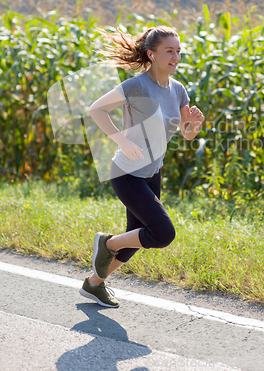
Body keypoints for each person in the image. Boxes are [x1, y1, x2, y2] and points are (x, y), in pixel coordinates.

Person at [79, 25, 205, 307]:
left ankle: (93, 285)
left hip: (151, 173)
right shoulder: (137, 85)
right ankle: (107, 243)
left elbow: (187, 133)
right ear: (152, 54)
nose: (176, 56)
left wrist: (194, 124)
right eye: (169, 51)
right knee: (162, 233)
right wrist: (122, 140)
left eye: (178, 51)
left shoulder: (177, 90)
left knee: (135, 239)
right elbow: (96, 109)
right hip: (126, 173)